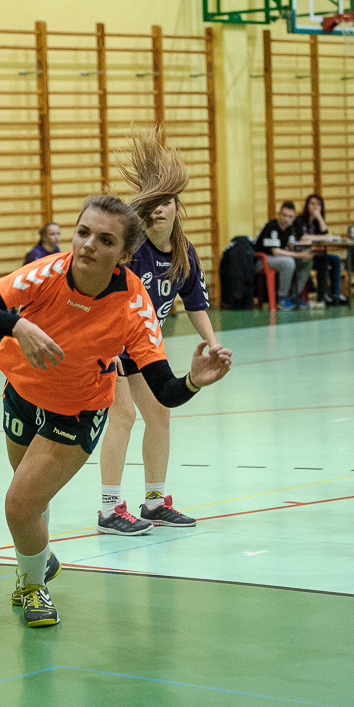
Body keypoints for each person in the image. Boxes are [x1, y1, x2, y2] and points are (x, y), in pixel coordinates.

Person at [0, 193, 233, 627]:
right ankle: (39, 559)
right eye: (83, 232)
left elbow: (164, 390)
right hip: (22, 393)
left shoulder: (133, 305)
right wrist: (18, 324)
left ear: (124, 255)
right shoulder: (48, 272)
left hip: (77, 410)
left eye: (105, 240)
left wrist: (193, 380)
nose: (88, 245)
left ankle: (32, 586)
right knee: (31, 500)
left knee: (19, 504)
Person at [96, 126, 222, 536]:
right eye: (152, 204)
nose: (160, 210)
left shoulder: (184, 253)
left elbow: (196, 304)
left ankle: (154, 502)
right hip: (111, 347)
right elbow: (102, 298)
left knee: (160, 416)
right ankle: (109, 509)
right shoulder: (132, 251)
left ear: (176, 208)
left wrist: (213, 344)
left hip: (144, 348)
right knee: (124, 416)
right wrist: (108, 349)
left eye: (167, 202)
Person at [292, 193, 348, 306]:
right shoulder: (299, 220)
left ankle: (336, 294)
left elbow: (325, 234)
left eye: (318, 205)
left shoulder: (317, 222)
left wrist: (319, 217)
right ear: (307, 205)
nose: (315, 207)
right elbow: (303, 238)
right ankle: (322, 296)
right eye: (312, 204)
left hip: (314, 254)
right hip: (301, 255)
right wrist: (322, 237)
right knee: (324, 260)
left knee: (336, 260)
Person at [253, 202, 313, 310]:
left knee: (307, 261)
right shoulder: (271, 226)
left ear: (293, 218)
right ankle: (282, 298)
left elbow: (291, 247)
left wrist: (302, 250)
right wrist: (299, 254)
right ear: (279, 214)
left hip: (278, 259)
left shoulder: (290, 229)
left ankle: (295, 296)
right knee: (288, 262)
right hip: (262, 260)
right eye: (284, 215)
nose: (286, 219)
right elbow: (275, 251)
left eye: (290, 217)